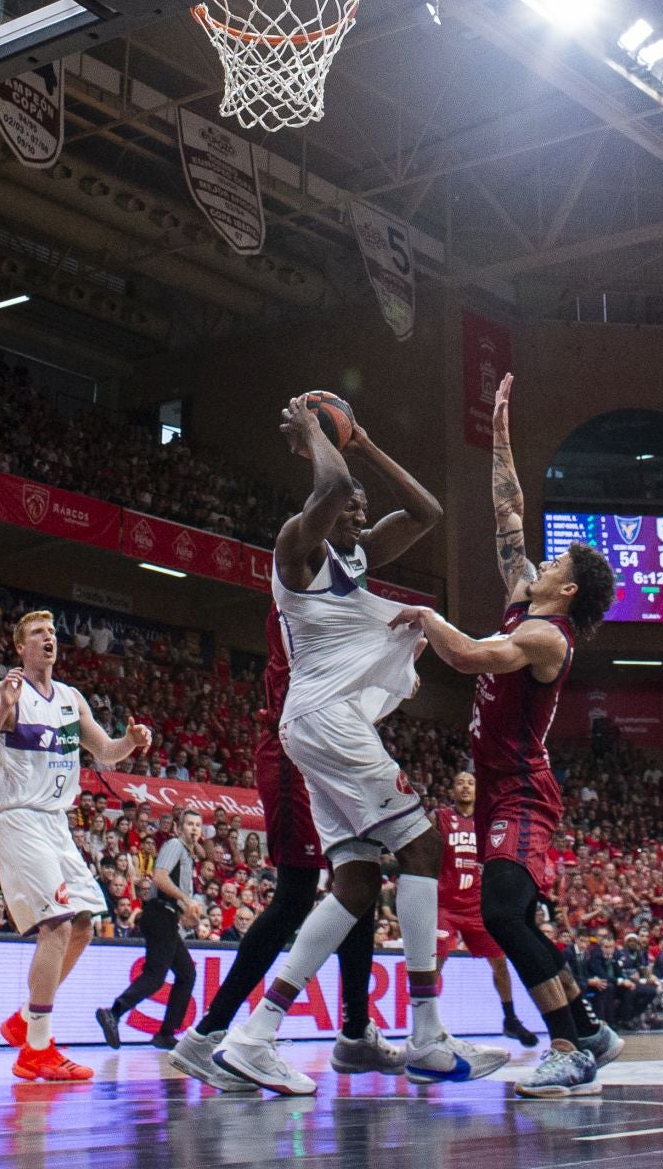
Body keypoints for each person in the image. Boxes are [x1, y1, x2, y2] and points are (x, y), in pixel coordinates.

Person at [214, 398, 502, 1095]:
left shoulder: (355, 556)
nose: (358, 510)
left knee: (357, 882)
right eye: (350, 506)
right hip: (325, 721)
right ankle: (427, 1031)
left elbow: (429, 512)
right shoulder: (296, 546)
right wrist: (317, 431)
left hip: (321, 727)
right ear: (323, 508)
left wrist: (367, 444)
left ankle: (253, 1036)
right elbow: (334, 488)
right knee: (424, 847)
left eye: (362, 507)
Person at [389, 372, 621, 1099]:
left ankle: (574, 1042)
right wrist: (500, 430)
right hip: (495, 791)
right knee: (511, 915)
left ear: (569, 589)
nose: (541, 561)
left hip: (523, 792)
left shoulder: (547, 637)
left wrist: (426, 617)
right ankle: (589, 1032)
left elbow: (467, 656)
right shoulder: (527, 598)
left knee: (500, 913)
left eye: (555, 564)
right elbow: (508, 509)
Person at [170, 606, 396, 1092]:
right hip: (299, 753)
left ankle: (356, 1030)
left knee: (360, 884)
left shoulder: (336, 591)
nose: (361, 524)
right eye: (351, 523)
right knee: (295, 896)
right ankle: (206, 1035)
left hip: (331, 750)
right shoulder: (302, 589)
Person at [0, 609, 152, 1081]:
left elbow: (106, 753)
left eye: (51, 632)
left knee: (85, 924)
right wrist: (4, 712)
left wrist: (130, 741)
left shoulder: (71, 698)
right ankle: (36, 1049)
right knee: (58, 925)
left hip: (57, 823)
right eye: (37, 634)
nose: (48, 639)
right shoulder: (6, 691)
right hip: (20, 818)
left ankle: (26, 1019)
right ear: (20, 647)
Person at [435, 770, 541, 1046]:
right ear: (453, 789)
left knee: (500, 964)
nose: (465, 786)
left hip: (477, 905)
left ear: (477, 789)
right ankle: (428, 1024)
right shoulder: (442, 818)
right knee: (435, 960)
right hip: (445, 904)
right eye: (459, 782)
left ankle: (510, 1019)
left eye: (471, 782)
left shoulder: (488, 822)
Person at [98, 808, 201, 1050]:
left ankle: (166, 1033)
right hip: (158, 913)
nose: (194, 828)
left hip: (167, 917)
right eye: (189, 824)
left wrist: (187, 914)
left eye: (198, 825)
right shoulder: (175, 845)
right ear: (179, 827)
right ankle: (114, 1012)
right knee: (155, 976)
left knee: (187, 974)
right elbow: (160, 878)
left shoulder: (187, 854)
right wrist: (185, 901)